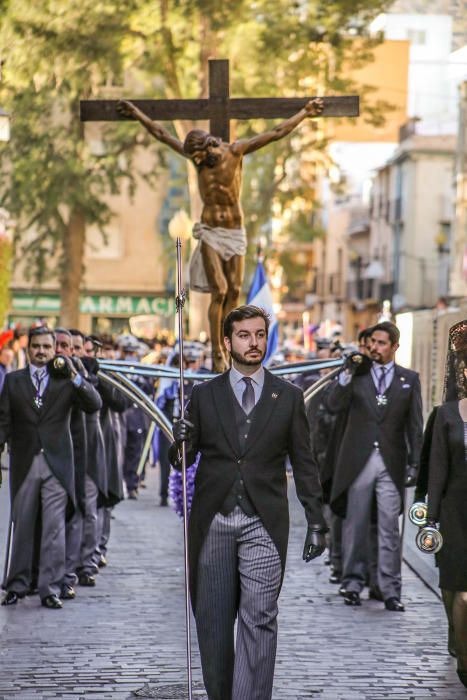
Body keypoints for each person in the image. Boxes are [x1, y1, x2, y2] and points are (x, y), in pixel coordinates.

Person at [171, 304, 327, 700]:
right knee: (213, 621)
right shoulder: (204, 395)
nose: (253, 342)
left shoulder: (288, 397)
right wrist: (180, 439)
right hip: (214, 520)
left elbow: (305, 462)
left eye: (259, 334)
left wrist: (317, 519)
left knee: (259, 618)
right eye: (244, 335)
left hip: (264, 521)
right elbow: (182, 459)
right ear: (227, 342)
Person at [117, 97, 324, 371]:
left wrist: (304, 114)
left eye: (201, 156)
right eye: (194, 159)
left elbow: (276, 133)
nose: (198, 162)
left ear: (211, 145)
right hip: (211, 232)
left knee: (235, 291)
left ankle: (231, 346)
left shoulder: (236, 151)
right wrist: (136, 114)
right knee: (220, 291)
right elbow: (161, 133)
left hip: (234, 232)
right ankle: (217, 351)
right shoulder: (196, 158)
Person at [0, 327, 102, 609]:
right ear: (29, 348)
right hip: (25, 463)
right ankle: (17, 585)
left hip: (58, 465)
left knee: (54, 529)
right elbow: (4, 423)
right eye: (37, 346)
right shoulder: (13, 381)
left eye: (47, 346)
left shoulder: (65, 380)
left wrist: (74, 375)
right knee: (22, 526)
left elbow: (95, 404)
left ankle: (50, 589)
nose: (42, 351)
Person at [327, 321, 423, 610]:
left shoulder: (409, 379)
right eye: (373, 343)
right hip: (358, 462)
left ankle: (390, 589)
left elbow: (414, 426)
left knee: (389, 530)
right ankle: (353, 584)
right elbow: (333, 405)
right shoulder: (358, 374)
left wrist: (415, 464)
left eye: (382, 343)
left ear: (395, 347)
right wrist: (345, 374)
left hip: (391, 464)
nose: (375, 348)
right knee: (354, 526)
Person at [425, 319, 467, 689]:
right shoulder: (447, 415)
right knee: (453, 585)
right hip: (455, 508)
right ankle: (458, 635)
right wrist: (430, 517)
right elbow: (436, 468)